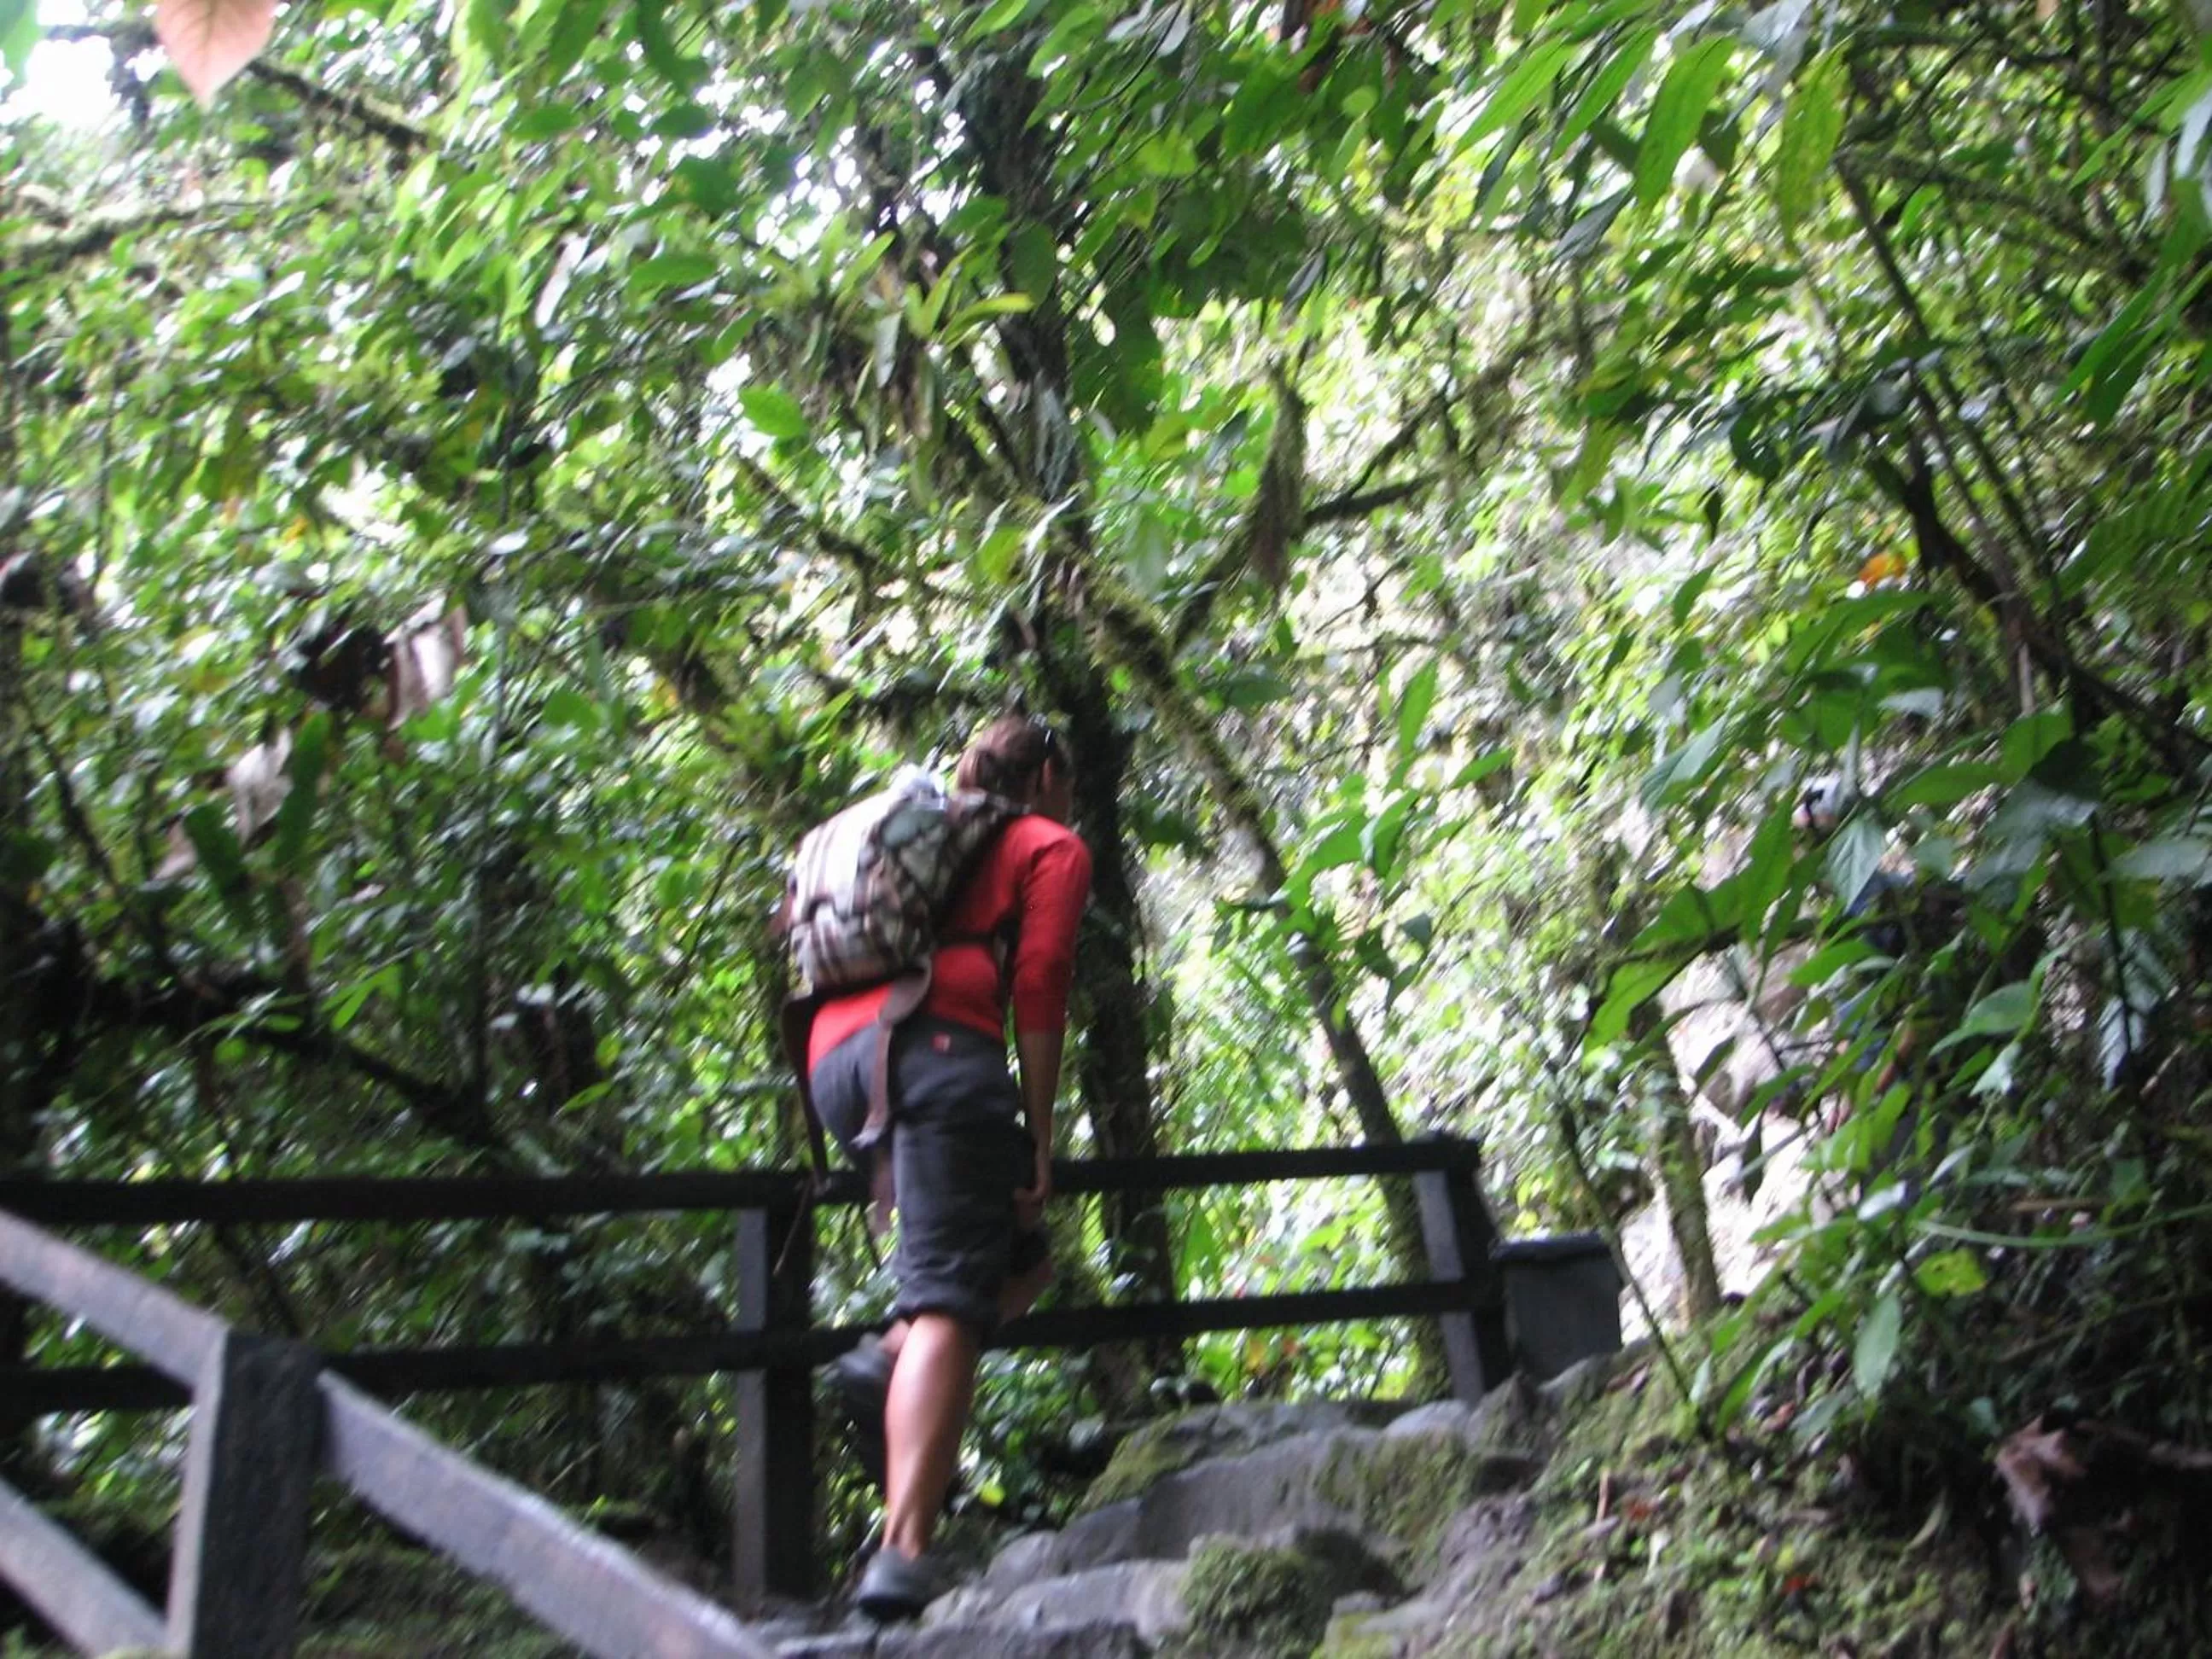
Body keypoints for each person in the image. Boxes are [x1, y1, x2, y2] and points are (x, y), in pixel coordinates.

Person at [804, 713, 1092, 1620]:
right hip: (933, 1053)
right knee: (951, 1305)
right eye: (1068, 782)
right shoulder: (1049, 846)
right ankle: (904, 1553)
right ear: (1045, 777)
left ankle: (890, 1360)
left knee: (1019, 1264)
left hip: (836, 1060)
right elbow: (1040, 979)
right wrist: (1039, 1131)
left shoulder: (938, 844)